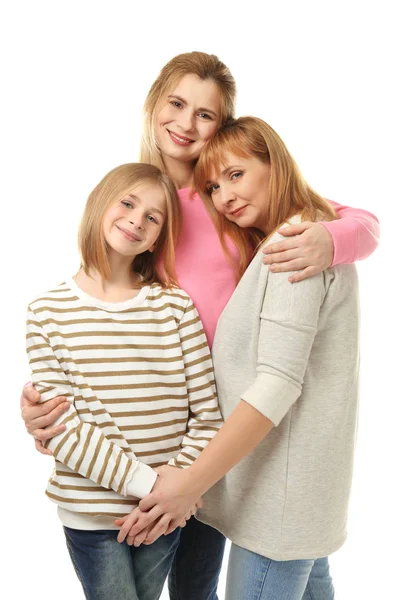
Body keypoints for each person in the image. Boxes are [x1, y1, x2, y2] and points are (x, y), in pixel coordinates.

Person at [21, 52, 379, 600]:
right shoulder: (142, 201)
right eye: (176, 104)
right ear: (154, 104)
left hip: (222, 431)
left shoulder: (229, 198)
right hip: (156, 429)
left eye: (205, 114)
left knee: (198, 586)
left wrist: (330, 241)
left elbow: (358, 221)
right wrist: (47, 404)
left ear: (222, 127)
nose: (186, 124)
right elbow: (100, 310)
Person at [117, 116, 363, 600]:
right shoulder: (298, 238)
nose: (225, 197)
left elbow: (277, 384)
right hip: (297, 494)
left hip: (281, 503)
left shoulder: (293, 249)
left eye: (236, 175)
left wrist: (190, 483)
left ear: (276, 164)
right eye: (212, 186)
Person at [25, 162, 223, 600]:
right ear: (100, 205)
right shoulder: (46, 311)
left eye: (153, 217)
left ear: (159, 237)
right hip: (94, 515)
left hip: (165, 513)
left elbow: (207, 417)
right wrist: (156, 487)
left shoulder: (174, 307)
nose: (137, 219)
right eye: (128, 203)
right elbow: (62, 431)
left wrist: (173, 493)